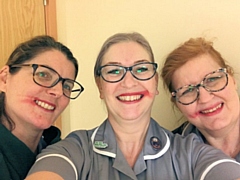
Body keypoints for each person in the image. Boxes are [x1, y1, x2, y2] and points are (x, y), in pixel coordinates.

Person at [26, 33, 240, 180]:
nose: (128, 82)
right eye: (114, 71)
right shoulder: (73, 149)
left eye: (141, 69)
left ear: (155, 83)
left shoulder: (192, 151)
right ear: (100, 86)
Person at [0, 35, 84, 180]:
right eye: (43, 74)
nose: (58, 92)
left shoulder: (65, 154)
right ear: (5, 78)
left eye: (66, 86)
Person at [161, 37, 240, 162]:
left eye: (212, 80)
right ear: (177, 104)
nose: (205, 98)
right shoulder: (166, 157)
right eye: (187, 91)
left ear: (232, 79)